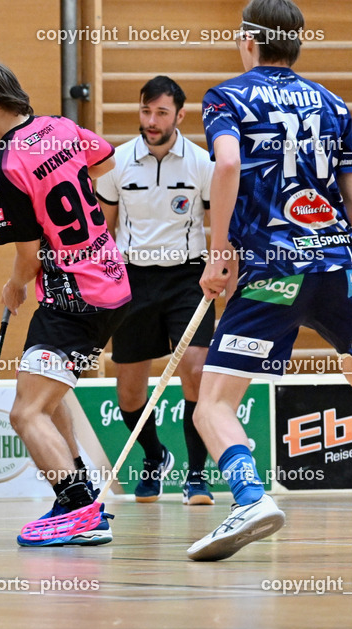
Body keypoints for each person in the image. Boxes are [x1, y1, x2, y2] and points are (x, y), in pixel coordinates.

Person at [188, 0, 352, 561]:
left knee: (213, 404)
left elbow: (228, 165)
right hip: (339, 265)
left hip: (272, 274)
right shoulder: (335, 104)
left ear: (248, 41)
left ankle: (250, 498)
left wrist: (219, 252)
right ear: (298, 44)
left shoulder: (227, 97)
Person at [0, 60, 129, 546]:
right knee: (48, 390)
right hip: (110, 282)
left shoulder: (4, 166)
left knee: (25, 414)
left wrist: (15, 287)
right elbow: (107, 164)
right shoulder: (62, 128)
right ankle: (80, 493)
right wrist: (92, 219)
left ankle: (77, 511)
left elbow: (28, 256)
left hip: (72, 298)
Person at [95, 76, 216, 505]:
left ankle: (197, 476)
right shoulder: (117, 162)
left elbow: (218, 225)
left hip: (188, 280)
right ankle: (153, 455)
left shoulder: (203, 163)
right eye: (146, 111)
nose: (151, 120)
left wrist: (223, 267)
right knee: (128, 391)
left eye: (161, 112)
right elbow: (103, 230)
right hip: (133, 281)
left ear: (180, 116)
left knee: (198, 374)